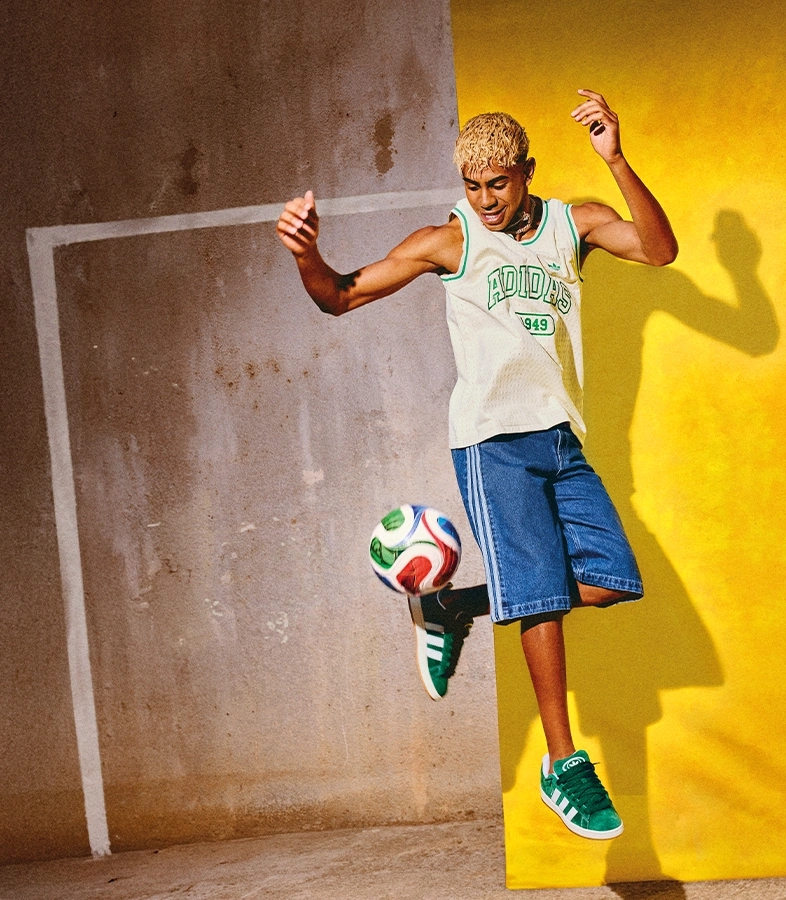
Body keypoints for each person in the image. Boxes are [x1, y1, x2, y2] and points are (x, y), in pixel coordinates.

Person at [276, 90, 678, 841]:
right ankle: (564, 764)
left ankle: (449, 608)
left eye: (498, 183)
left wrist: (615, 159)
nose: (486, 200)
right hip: (493, 441)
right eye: (472, 185)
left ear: (525, 172)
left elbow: (659, 250)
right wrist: (306, 253)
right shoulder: (450, 242)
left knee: (611, 579)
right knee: (540, 601)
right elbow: (337, 297)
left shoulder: (572, 223)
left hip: (560, 438)